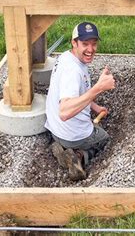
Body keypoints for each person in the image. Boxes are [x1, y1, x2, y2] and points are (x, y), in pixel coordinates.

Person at [45, 22, 115, 181]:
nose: (91, 49)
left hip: (54, 127)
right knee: (104, 138)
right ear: (74, 42)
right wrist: (98, 87)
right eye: (85, 44)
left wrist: (95, 107)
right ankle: (78, 156)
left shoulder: (65, 57)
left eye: (94, 44)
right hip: (72, 134)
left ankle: (59, 146)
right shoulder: (73, 71)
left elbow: (76, 94)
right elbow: (64, 112)